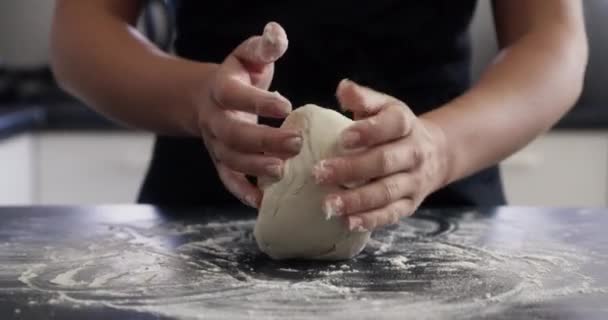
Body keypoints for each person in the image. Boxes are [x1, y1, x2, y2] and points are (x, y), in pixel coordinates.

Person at [50, 1, 587, 231]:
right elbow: (80, 31)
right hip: (206, 200)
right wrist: (197, 100)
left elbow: (552, 39)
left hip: (436, 200)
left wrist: (440, 147)